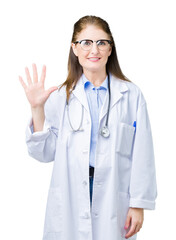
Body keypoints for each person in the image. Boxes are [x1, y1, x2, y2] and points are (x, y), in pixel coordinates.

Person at [19, 15, 157, 240]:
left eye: (102, 42)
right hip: (70, 192)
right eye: (86, 42)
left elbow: (143, 153)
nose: (95, 50)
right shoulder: (59, 97)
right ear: (74, 48)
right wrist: (37, 109)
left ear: (110, 49)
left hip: (114, 194)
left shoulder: (131, 95)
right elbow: (43, 153)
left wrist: (138, 203)